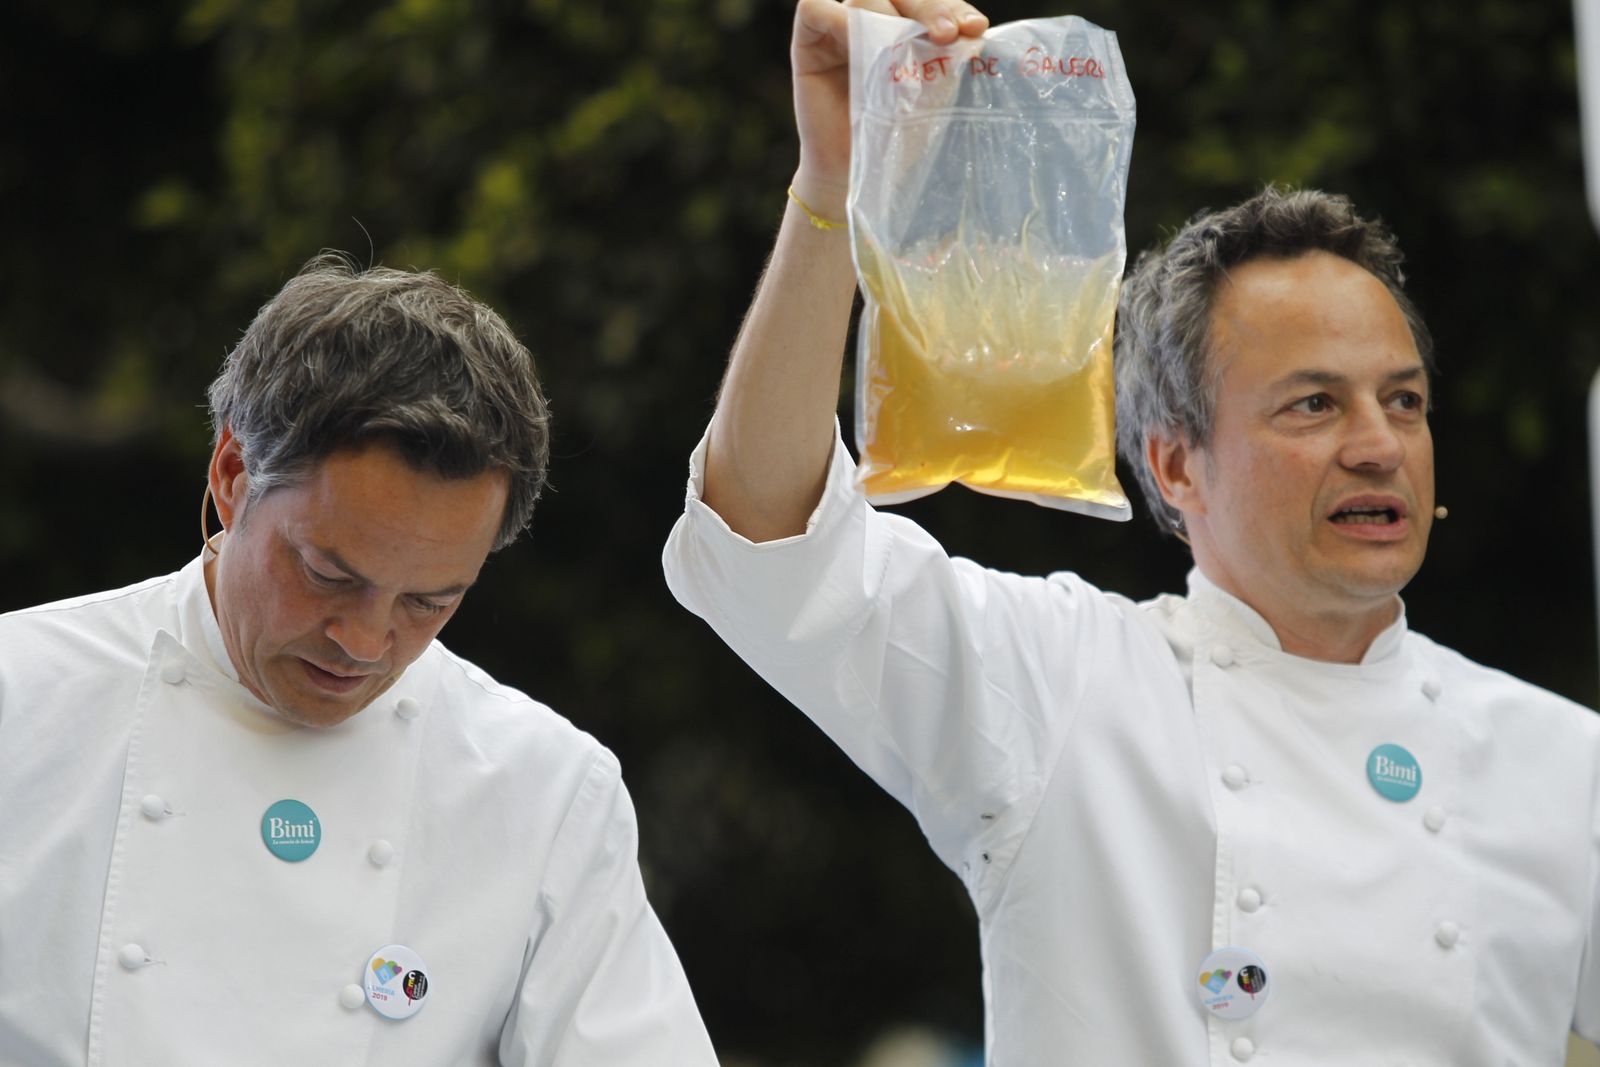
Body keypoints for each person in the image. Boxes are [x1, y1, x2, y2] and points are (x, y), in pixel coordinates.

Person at [662, 0, 1600, 1063]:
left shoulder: (1560, 765)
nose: (1380, 445)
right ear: (1174, 463)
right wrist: (835, 181)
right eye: (1313, 404)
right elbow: (766, 536)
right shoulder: (1064, 686)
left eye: (1404, 400)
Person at [0, 254, 718, 1065]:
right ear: (232, 475)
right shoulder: (18, 694)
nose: (367, 643)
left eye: (429, 602)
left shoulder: (544, 792)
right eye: (328, 574)